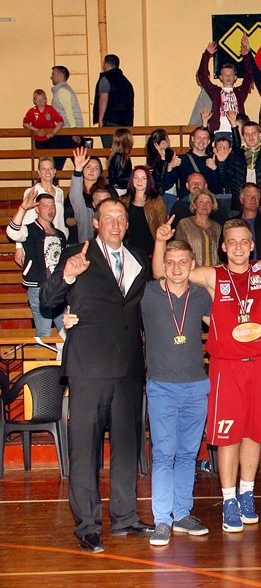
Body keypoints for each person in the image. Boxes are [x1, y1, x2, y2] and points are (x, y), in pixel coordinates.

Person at [41, 198, 154, 553]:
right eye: (109, 218)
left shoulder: (138, 258)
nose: (116, 224)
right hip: (88, 368)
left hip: (129, 369)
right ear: (96, 222)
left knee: (126, 447)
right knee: (86, 450)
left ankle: (125, 517)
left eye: (121, 218)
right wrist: (67, 275)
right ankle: (88, 525)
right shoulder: (78, 253)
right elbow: (47, 300)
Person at [154, 217, 261, 534]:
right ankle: (228, 500)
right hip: (227, 366)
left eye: (243, 241)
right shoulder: (213, 275)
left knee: (254, 433)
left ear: (252, 245)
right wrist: (160, 243)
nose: (237, 247)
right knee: (230, 435)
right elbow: (163, 272)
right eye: (231, 241)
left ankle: (247, 494)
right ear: (223, 247)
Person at [7, 190, 66, 337]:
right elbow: (12, 232)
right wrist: (22, 208)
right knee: (44, 332)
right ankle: (40, 360)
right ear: (37, 209)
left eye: (52, 206)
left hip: (58, 289)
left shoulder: (60, 234)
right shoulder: (30, 229)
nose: (50, 209)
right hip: (38, 287)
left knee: (67, 333)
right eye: (46, 206)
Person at [199, 37, 256, 140]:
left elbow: (249, 75)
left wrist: (246, 56)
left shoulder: (240, 92)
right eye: (225, 75)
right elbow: (202, 77)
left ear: (235, 77)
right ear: (220, 77)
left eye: (231, 74)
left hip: (237, 130)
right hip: (219, 131)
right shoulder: (216, 92)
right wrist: (206, 55)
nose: (228, 77)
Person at [14, 158, 67, 268]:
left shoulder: (59, 192)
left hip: (57, 239)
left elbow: (60, 219)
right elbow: (24, 220)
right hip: (39, 240)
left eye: (50, 168)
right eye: (44, 169)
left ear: (55, 171)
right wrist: (19, 247)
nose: (47, 172)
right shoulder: (32, 192)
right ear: (39, 172)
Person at [122, 167, 168, 258]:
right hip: (129, 247)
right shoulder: (123, 200)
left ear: (148, 181)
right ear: (132, 180)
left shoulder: (157, 201)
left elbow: (162, 225)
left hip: (150, 248)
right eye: (136, 177)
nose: (139, 181)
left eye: (143, 178)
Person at [229, 183, 261, 260]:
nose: (253, 199)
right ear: (241, 199)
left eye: (256, 196)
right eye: (249, 196)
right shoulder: (231, 224)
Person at [67, 149, 110, 244]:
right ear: (93, 203)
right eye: (88, 167)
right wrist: (78, 169)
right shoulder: (85, 212)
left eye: (96, 168)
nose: (92, 171)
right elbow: (75, 197)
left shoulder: (109, 190)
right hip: (80, 240)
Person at [93, 54, 134, 148]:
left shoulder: (105, 79)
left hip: (109, 121)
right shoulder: (126, 82)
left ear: (106, 65)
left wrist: (100, 119)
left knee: (110, 151)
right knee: (123, 152)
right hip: (125, 123)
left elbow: (103, 98)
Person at [174, 189, 222, 267]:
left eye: (208, 202)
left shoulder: (217, 227)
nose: (205, 205)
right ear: (194, 205)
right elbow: (179, 250)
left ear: (212, 206)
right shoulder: (184, 224)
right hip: (192, 273)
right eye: (201, 202)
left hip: (213, 274)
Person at [23, 89, 65, 170]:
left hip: (50, 138)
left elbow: (60, 121)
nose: (40, 101)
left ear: (46, 100)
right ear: (34, 101)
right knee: (42, 159)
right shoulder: (32, 111)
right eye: (38, 100)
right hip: (39, 139)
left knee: (50, 159)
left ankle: (52, 177)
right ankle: (41, 178)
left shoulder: (50, 109)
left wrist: (53, 132)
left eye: (42, 99)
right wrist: (36, 130)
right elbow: (25, 123)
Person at [50, 65, 84, 156]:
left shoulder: (62, 91)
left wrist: (73, 132)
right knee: (78, 160)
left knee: (58, 162)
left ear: (60, 76)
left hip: (66, 132)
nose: (51, 77)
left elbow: (68, 112)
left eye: (53, 74)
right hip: (67, 131)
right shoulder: (63, 90)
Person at [106, 128, 133, 196]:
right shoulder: (120, 157)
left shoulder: (119, 156)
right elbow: (119, 178)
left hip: (119, 189)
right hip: (119, 190)